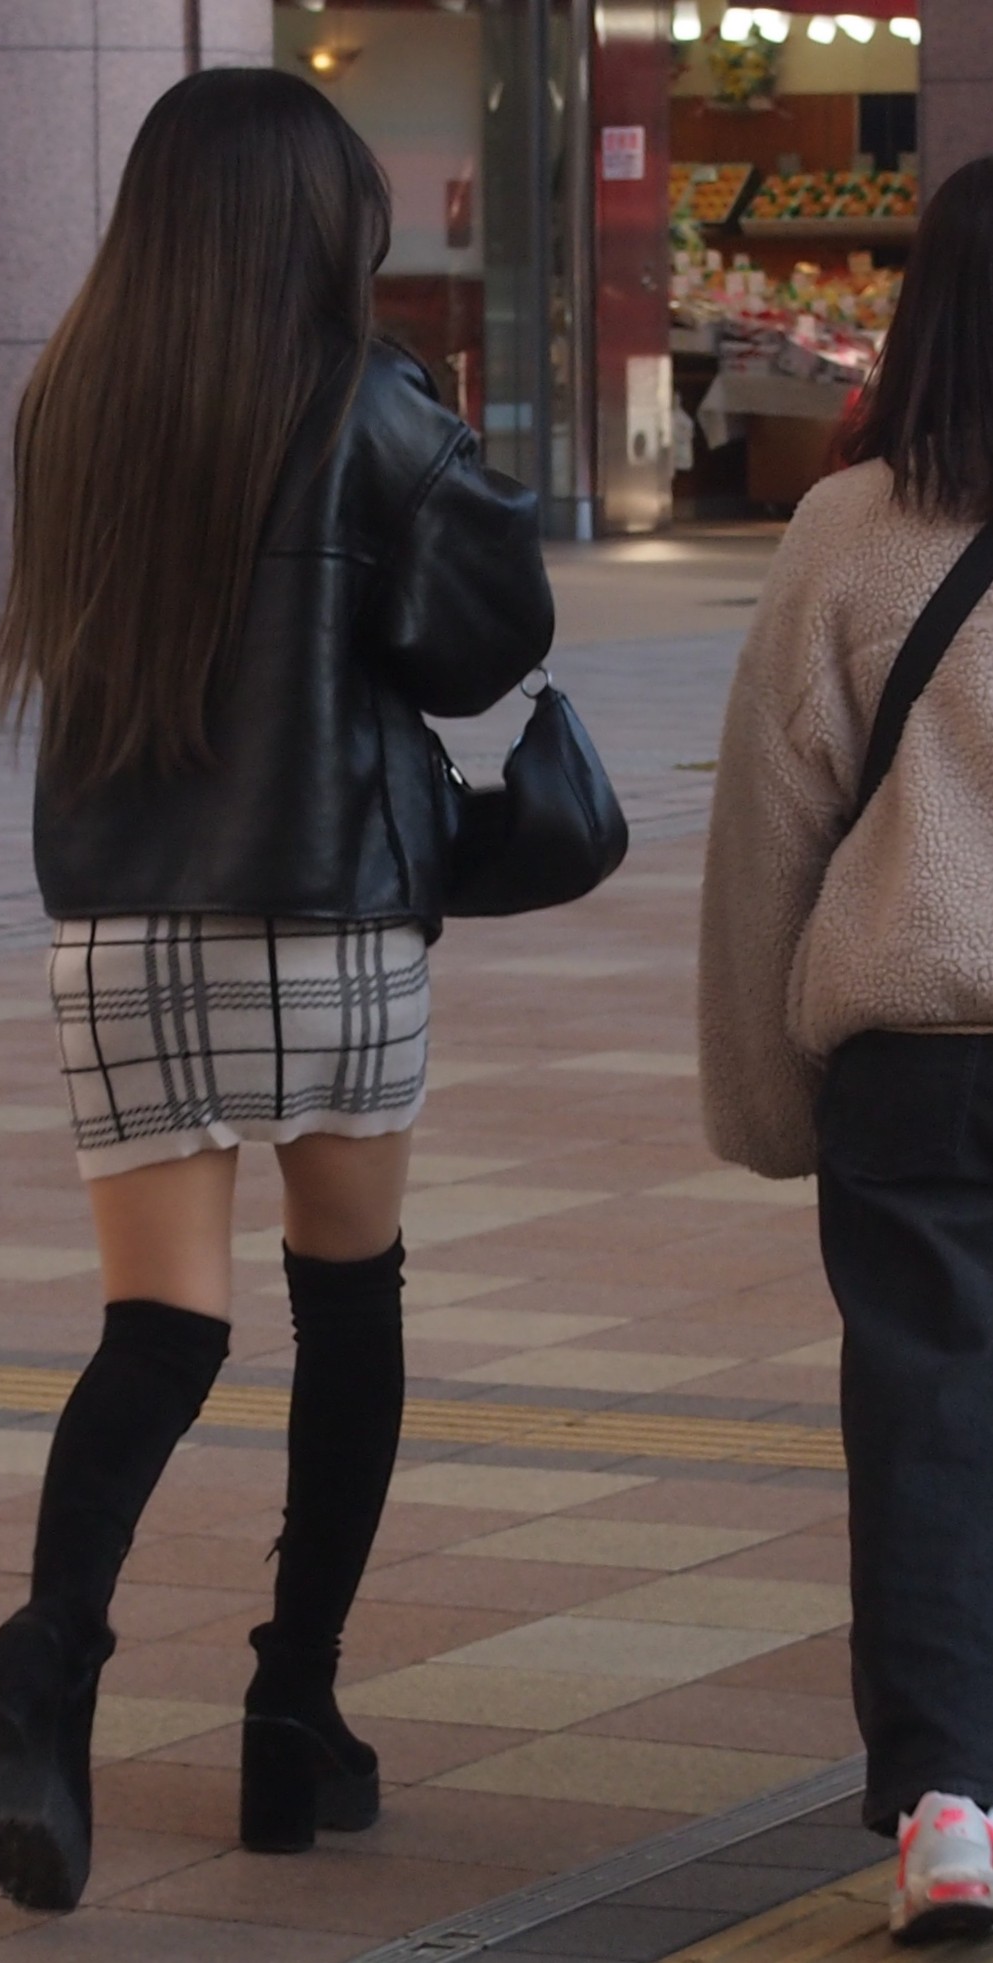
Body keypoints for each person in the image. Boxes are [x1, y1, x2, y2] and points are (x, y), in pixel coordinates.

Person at [0, 68, 555, 1913]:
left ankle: (45, 1667)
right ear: (319, 221)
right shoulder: (368, 405)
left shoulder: (73, 401)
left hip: (121, 925)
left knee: (159, 1325)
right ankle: (293, 1709)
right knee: (348, 1301)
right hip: (327, 915)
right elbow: (490, 642)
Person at [700, 155, 993, 1948]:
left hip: (913, 1052)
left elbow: (768, 834)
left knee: (926, 1421)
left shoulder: (846, 532)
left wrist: (761, 1090)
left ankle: (952, 1810)